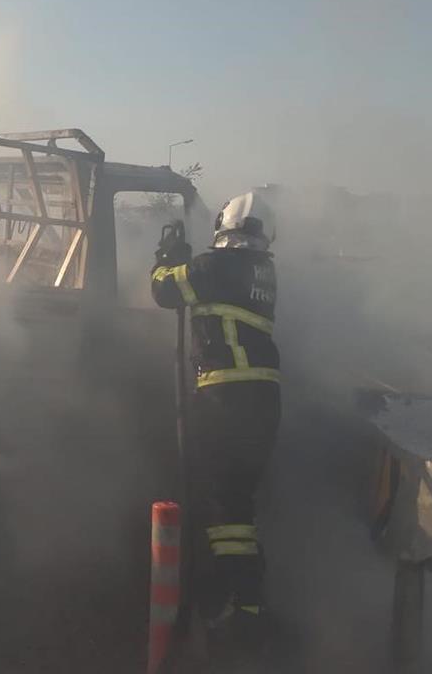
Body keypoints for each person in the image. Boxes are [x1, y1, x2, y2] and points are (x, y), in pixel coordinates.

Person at [150, 189, 281, 642]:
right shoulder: (265, 270)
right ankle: (248, 600)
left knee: (224, 503)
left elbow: (164, 290)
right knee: (237, 502)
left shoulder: (214, 266)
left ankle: (241, 606)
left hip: (228, 394)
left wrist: (166, 256)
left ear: (224, 226)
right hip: (262, 399)